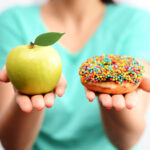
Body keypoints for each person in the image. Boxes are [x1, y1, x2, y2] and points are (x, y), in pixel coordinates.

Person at [0, 0, 150, 149]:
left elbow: (127, 141)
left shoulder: (137, 22)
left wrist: (110, 91)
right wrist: (32, 87)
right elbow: (13, 145)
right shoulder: (13, 22)